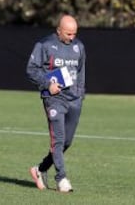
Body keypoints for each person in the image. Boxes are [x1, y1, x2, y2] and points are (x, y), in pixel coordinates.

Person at [26, 15, 86, 193]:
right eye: (68, 34)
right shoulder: (44, 45)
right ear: (58, 30)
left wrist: (81, 94)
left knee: (66, 142)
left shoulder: (79, 47)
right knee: (58, 140)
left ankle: (40, 169)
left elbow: (81, 71)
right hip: (54, 99)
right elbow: (31, 69)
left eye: (75, 33)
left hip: (74, 100)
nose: (72, 37)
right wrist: (47, 84)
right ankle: (61, 178)